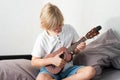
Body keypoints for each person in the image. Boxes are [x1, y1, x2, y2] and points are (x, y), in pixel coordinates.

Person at [31, 2, 96, 80]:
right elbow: (34, 61)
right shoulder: (42, 38)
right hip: (50, 71)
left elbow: (74, 51)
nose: (58, 29)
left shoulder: (69, 29)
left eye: (60, 24)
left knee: (91, 71)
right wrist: (52, 60)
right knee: (41, 78)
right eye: (54, 28)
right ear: (45, 26)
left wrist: (78, 48)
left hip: (69, 70)